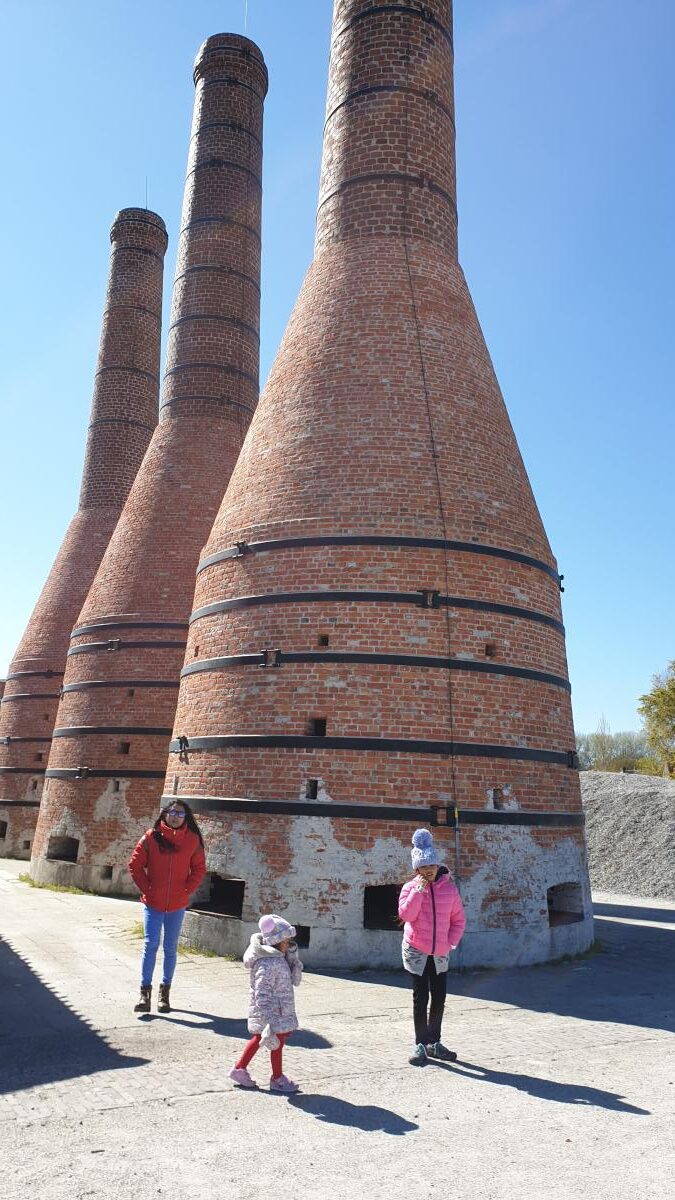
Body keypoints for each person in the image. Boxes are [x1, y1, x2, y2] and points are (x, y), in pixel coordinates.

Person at [128, 800, 206, 1014]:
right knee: (150, 944)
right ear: (163, 815)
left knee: (170, 948)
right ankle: (144, 993)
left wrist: (186, 890)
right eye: (171, 812)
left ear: (186, 817)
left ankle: (165, 994)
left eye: (180, 813)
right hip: (153, 903)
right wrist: (147, 889)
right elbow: (135, 865)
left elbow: (199, 869)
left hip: (177, 904)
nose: (175, 816)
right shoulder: (151, 837)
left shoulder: (192, 840)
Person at [398, 827, 466, 1066]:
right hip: (417, 950)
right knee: (420, 997)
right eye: (423, 867)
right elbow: (406, 915)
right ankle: (420, 1044)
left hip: (440, 952)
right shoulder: (410, 888)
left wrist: (451, 942)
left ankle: (434, 1042)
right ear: (417, 869)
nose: (428, 870)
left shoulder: (449, 888)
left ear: (438, 865)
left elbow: (459, 919)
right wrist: (418, 891)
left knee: (439, 998)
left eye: (431, 866)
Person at [229, 914, 303, 1094]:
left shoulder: (279, 959)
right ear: (276, 941)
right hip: (272, 1013)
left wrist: (294, 962)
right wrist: (268, 1018)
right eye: (286, 941)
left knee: (260, 1039)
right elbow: (262, 992)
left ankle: (240, 1069)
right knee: (275, 1042)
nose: (289, 944)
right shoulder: (268, 963)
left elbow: (295, 981)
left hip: (279, 1010)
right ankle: (277, 1079)